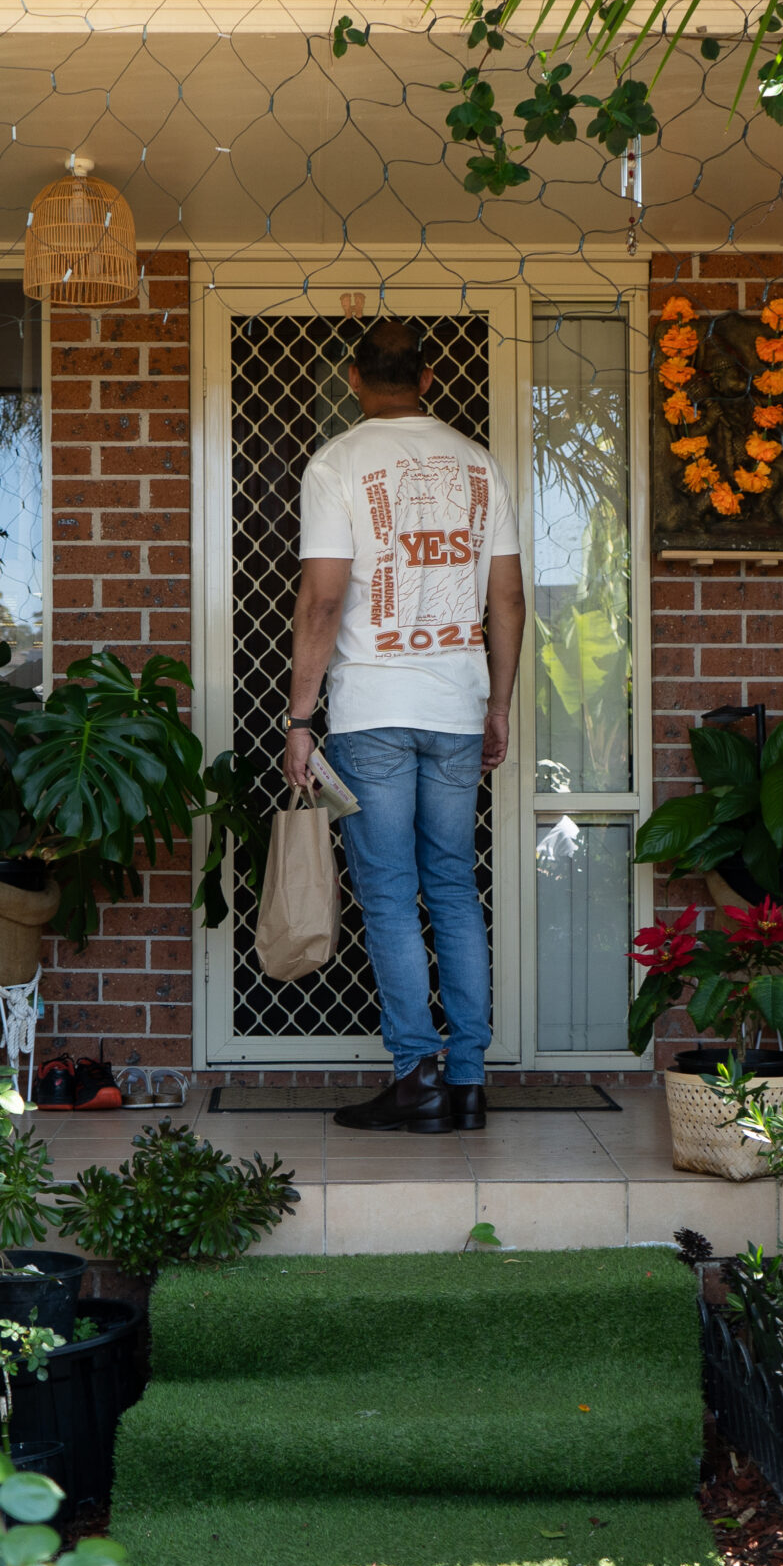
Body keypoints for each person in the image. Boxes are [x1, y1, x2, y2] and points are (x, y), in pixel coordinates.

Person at [284, 319, 525, 1134]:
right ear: (427, 378)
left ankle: (415, 1073)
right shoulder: (481, 465)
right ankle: (468, 1082)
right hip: (457, 710)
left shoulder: (337, 463)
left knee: (389, 893)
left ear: (354, 377)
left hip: (374, 712)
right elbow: (510, 601)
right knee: (454, 885)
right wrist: (497, 705)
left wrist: (300, 718)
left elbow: (322, 600)